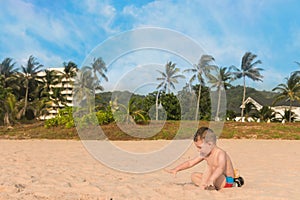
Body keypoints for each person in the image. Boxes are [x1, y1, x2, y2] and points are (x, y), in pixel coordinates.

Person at [165, 127, 244, 191]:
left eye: (200, 147)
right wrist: (176, 169)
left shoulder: (220, 153)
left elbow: (220, 168)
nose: (198, 150)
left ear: (210, 144)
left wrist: (212, 179)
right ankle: (209, 185)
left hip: (227, 179)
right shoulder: (205, 153)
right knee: (194, 176)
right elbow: (190, 163)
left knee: (211, 170)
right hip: (214, 179)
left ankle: (235, 183)